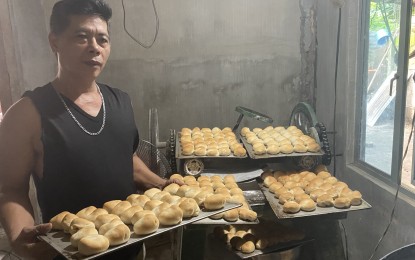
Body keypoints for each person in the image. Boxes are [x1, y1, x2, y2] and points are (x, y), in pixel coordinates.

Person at [0, 0, 181, 259]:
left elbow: (126, 160)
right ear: (55, 42)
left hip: (131, 248)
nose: (94, 48)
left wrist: (162, 184)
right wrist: (20, 237)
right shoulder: (26, 114)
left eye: (102, 39)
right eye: (82, 37)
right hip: (71, 253)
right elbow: (11, 190)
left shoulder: (121, 101)